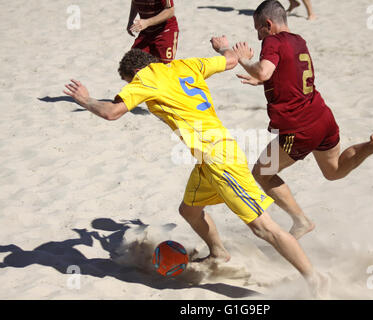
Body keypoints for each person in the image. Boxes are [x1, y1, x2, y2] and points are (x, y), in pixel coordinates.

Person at [63, 38, 328, 297]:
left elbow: (112, 112)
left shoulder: (144, 79)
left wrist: (85, 100)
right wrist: (224, 46)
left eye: (129, 82)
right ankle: (218, 253)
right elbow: (230, 61)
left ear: (134, 73)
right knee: (189, 210)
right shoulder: (186, 66)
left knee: (263, 228)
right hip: (208, 158)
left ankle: (314, 279)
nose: (132, 88)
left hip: (219, 159)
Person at [232, 0, 373, 239]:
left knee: (262, 173)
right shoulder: (299, 40)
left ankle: (301, 221)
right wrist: (263, 80)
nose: (258, 36)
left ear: (268, 24)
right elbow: (285, 72)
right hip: (322, 117)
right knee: (334, 171)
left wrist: (244, 60)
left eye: (258, 29)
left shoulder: (271, 41)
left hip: (297, 129)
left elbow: (264, 70)